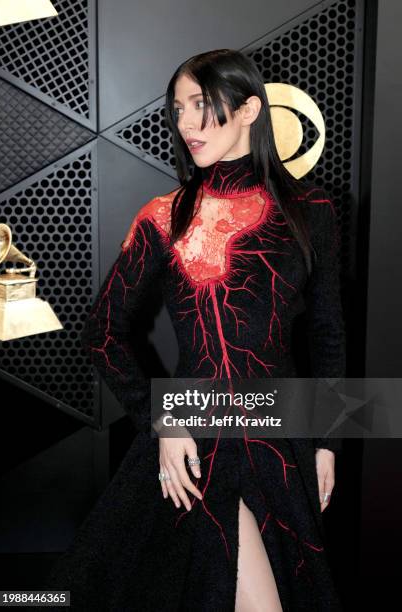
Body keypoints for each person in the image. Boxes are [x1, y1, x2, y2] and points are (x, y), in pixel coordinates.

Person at [43, 49, 346, 611]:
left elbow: (327, 331)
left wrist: (327, 441)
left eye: (201, 105)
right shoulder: (165, 215)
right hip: (199, 440)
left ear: (251, 108)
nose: (184, 124)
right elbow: (102, 333)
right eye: (178, 108)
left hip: (282, 435)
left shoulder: (312, 208)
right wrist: (164, 423)